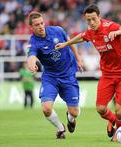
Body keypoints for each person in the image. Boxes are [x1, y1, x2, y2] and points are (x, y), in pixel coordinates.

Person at [56, 4, 121, 141]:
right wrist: (66, 44)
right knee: (100, 108)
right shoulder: (90, 31)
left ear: (99, 17)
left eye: (94, 19)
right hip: (107, 75)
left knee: (119, 109)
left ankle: (118, 133)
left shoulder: (110, 26)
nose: (91, 23)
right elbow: (82, 36)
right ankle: (113, 121)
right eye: (88, 20)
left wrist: (118, 32)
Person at [27, 11, 83, 139]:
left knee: (75, 112)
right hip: (50, 77)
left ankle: (70, 118)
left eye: (42, 23)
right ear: (32, 27)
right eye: (37, 25)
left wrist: (78, 59)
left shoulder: (57, 31)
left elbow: (70, 43)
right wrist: (31, 64)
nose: (41, 26)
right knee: (46, 108)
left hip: (68, 74)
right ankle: (60, 128)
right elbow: (31, 56)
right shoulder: (33, 42)